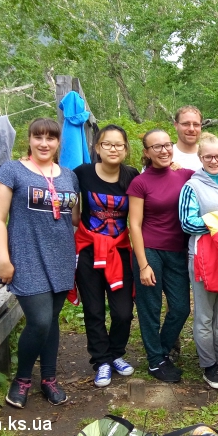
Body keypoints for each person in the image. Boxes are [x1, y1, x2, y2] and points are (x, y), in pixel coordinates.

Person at [0, 118, 79, 408]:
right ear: (29, 139)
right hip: (27, 257)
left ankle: (49, 379)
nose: (44, 143)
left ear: (58, 142)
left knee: (51, 320)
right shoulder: (11, 171)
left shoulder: (68, 175)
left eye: (50, 138)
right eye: (38, 137)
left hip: (62, 257)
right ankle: (22, 379)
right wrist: (3, 259)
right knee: (39, 321)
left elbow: (74, 217)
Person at [73, 125, 140, 388]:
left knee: (123, 312)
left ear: (126, 149)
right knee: (94, 309)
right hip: (89, 250)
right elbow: (62, 189)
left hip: (119, 251)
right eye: (107, 144)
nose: (113, 149)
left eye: (119, 144)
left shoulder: (132, 176)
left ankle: (116, 354)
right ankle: (101, 360)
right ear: (97, 148)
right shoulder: (83, 173)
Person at [128, 129, 196, 383]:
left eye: (167, 145)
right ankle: (156, 361)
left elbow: (217, 173)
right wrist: (143, 265)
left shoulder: (184, 175)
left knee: (180, 308)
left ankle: (162, 351)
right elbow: (135, 224)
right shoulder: (140, 182)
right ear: (147, 152)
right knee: (150, 308)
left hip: (177, 251)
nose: (164, 150)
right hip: (150, 250)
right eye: (157, 147)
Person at [178, 133, 218, 390]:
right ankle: (208, 365)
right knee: (205, 314)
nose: (214, 161)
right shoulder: (192, 186)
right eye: (208, 157)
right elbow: (187, 222)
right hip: (204, 256)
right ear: (200, 157)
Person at [172, 105, 204, 170]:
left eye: (196, 124)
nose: (191, 129)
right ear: (176, 125)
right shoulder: (165, 156)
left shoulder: (211, 156)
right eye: (186, 124)